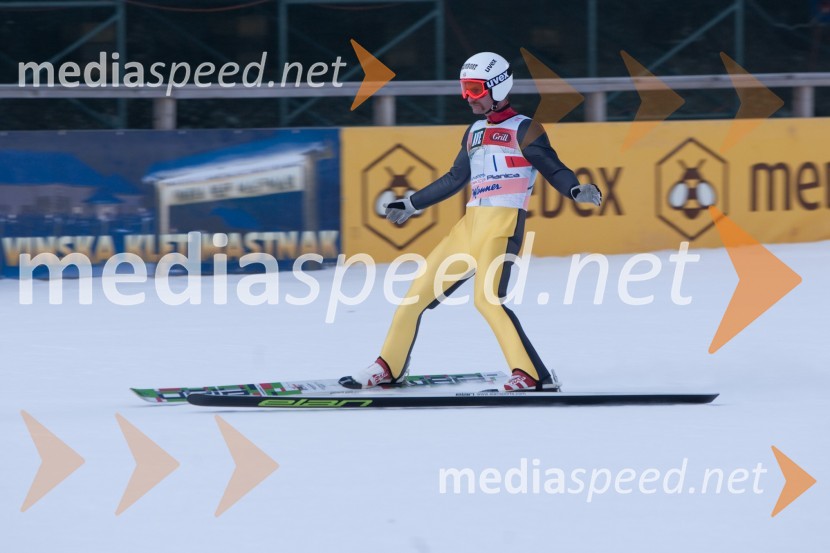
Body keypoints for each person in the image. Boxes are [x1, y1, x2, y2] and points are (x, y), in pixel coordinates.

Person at [340, 52, 602, 392]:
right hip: (468, 228)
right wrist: (411, 202)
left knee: (488, 300)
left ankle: (533, 376)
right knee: (414, 297)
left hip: (502, 226)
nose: (468, 97)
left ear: (498, 87)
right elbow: (454, 179)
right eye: (464, 89)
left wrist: (575, 188)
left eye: (475, 89)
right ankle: (388, 366)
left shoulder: (525, 129)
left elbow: (553, 167)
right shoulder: (475, 131)